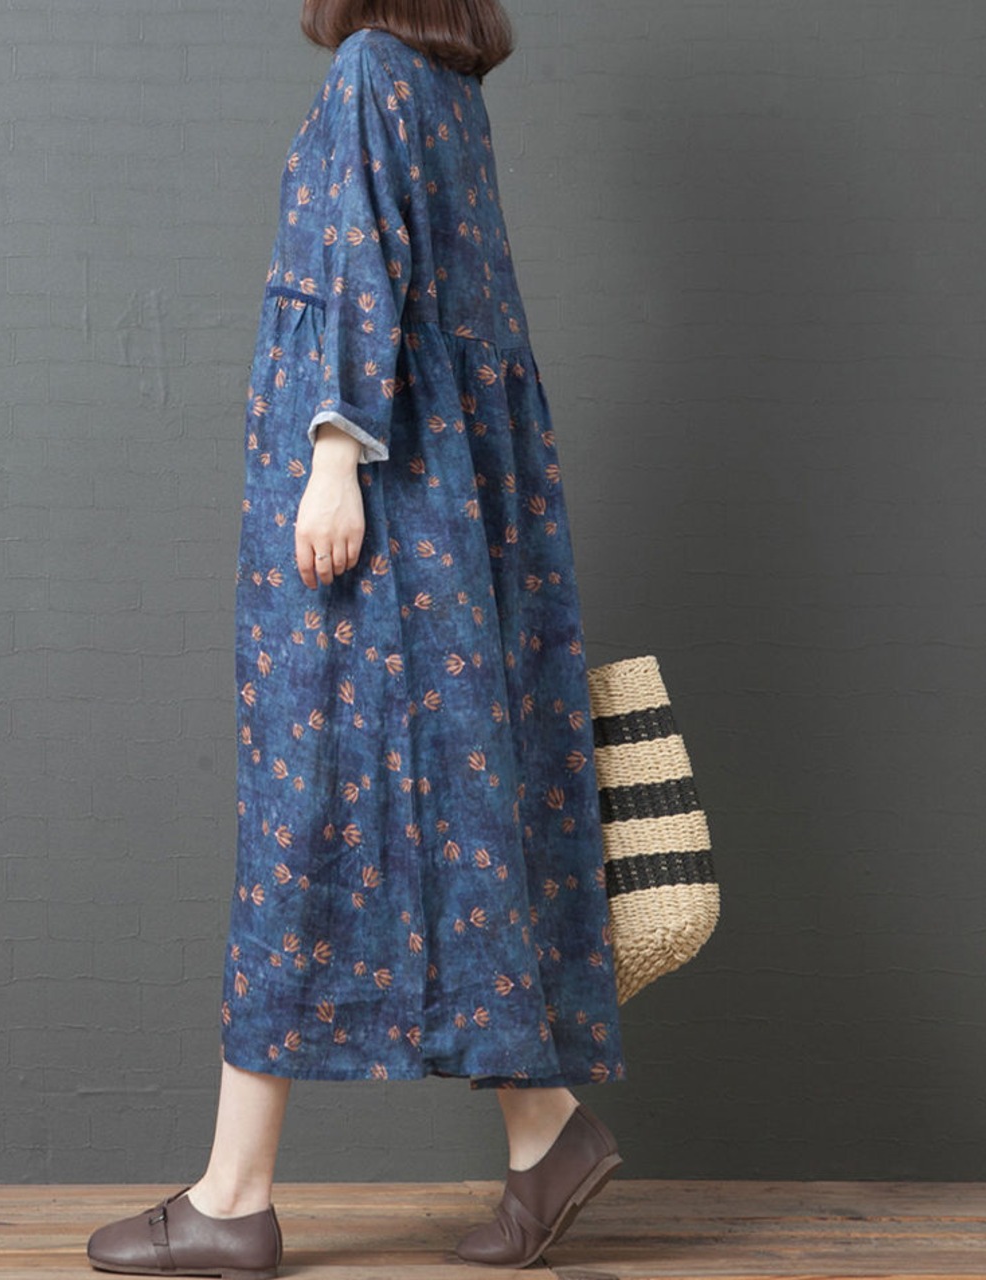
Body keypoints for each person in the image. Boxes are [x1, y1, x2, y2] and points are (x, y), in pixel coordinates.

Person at [88, 2, 626, 1274]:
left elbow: (356, 273)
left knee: (306, 814)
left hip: (378, 512)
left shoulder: (373, 74)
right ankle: (541, 1128)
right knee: (453, 816)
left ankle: (234, 1195)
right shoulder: (446, 92)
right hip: (446, 522)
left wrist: (332, 455)